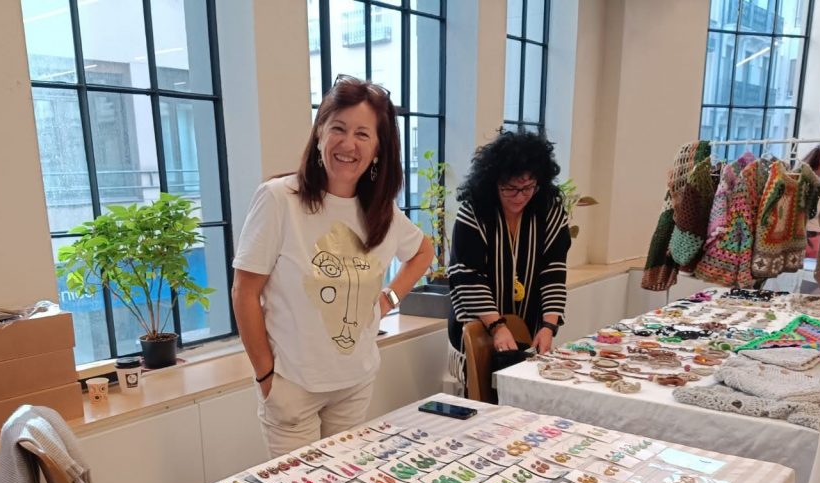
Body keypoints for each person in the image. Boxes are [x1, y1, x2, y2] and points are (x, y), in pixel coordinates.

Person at [231, 76, 433, 457]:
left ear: (378, 149)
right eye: (338, 128)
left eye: (363, 134)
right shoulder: (280, 200)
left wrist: (387, 300)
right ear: (320, 132)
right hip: (293, 387)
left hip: (354, 383)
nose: (348, 144)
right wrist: (266, 376)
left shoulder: (383, 212)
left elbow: (423, 252)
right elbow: (244, 292)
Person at [447, 129, 571, 381]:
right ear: (494, 181)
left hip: (529, 324)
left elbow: (554, 271)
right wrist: (497, 326)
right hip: (479, 326)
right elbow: (468, 277)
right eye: (510, 188)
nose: (520, 196)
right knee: (482, 392)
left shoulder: (549, 210)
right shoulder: (474, 212)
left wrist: (549, 326)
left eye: (528, 188)